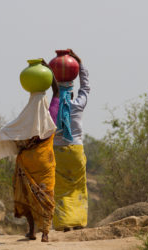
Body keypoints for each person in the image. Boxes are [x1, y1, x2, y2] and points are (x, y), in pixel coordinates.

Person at [0, 70, 58, 242]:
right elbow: (57, 93)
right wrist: (49, 73)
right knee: (46, 196)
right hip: (45, 163)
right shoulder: (51, 116)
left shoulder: (24, 120)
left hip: (26, 164)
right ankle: (45, 233)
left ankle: (31, 231)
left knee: (27, 195)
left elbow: (6, 132)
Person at [48, 49, 90, 232]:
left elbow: (50, 93)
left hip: (56, 152)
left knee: (60, 189)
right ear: (72, 94)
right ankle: (78, 222)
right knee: (78, 186)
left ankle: (65, 224)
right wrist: (79, 63)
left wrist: (47, 72)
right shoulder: (79, 104)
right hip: (75, 150)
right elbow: (86, 87)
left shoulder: (52, 107)